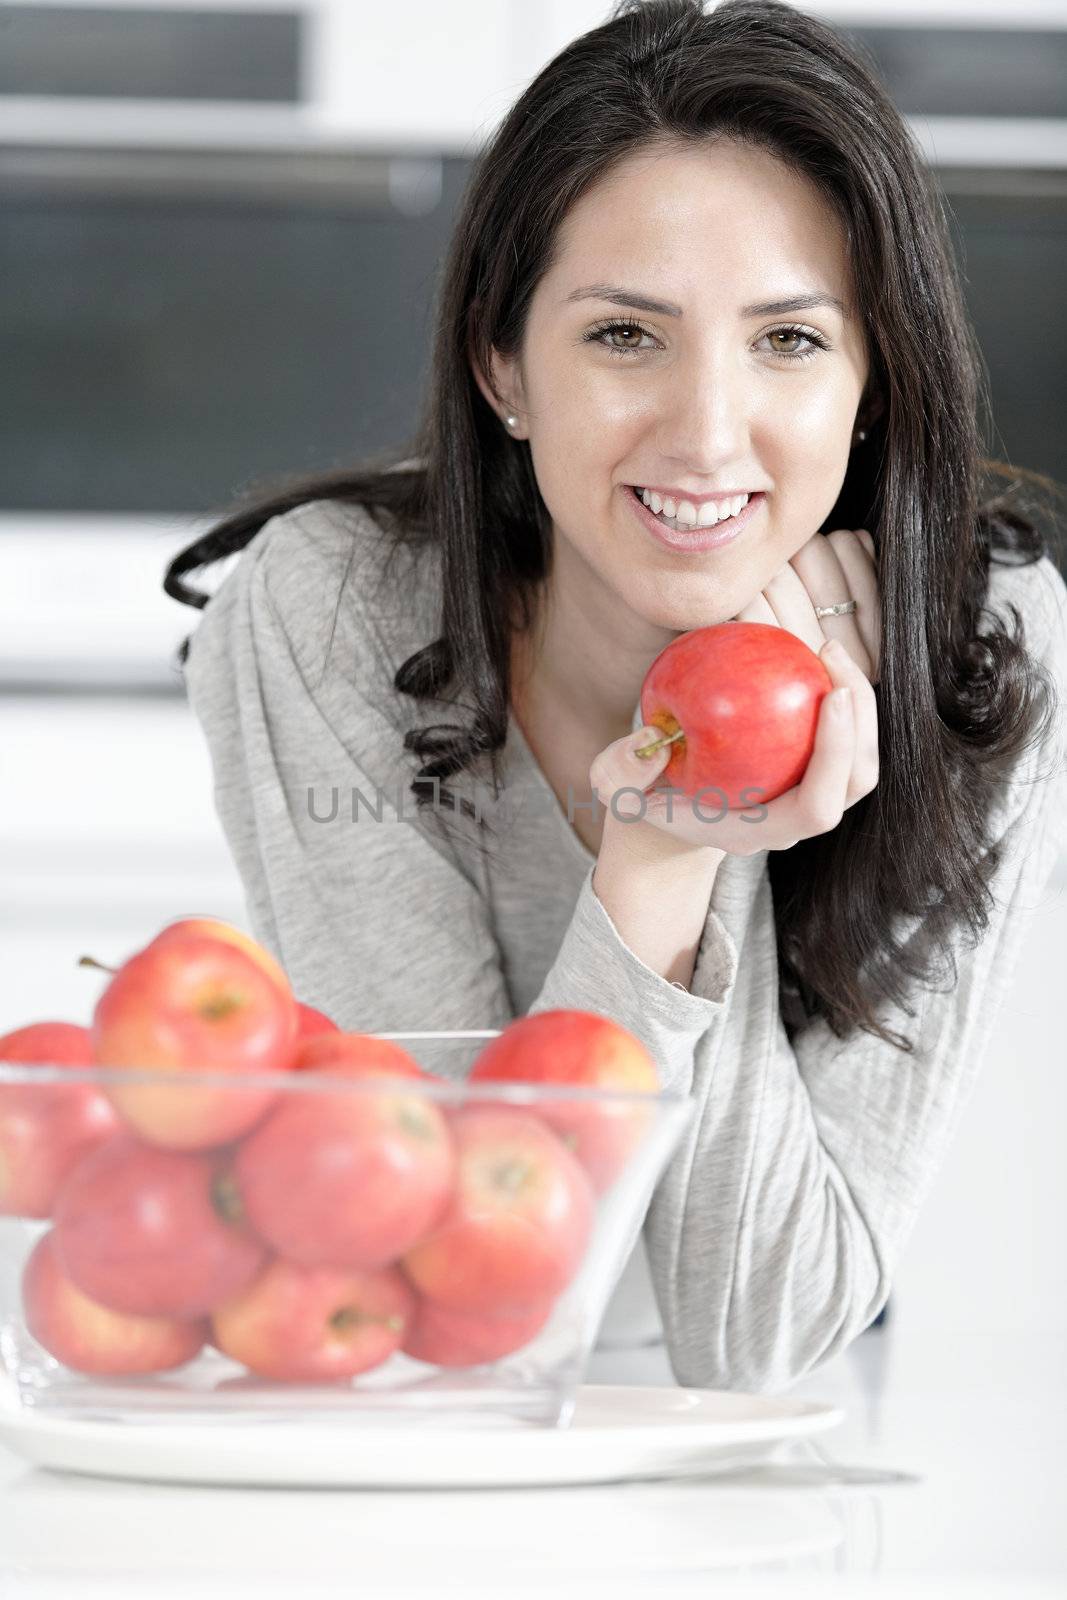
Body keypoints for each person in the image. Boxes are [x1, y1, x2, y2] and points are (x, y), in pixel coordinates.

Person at [165, 0, 1066, 1394]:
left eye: (789, 342)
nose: (707, 433)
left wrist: (739, 756)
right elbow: (471, 1277)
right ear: (503, 363)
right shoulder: (330, 612)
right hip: (427, 1417)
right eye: (627, 336)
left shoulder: (986, 648)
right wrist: (668, 848)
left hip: (794, 1456)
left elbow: (753, 1331)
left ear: (874, 378)